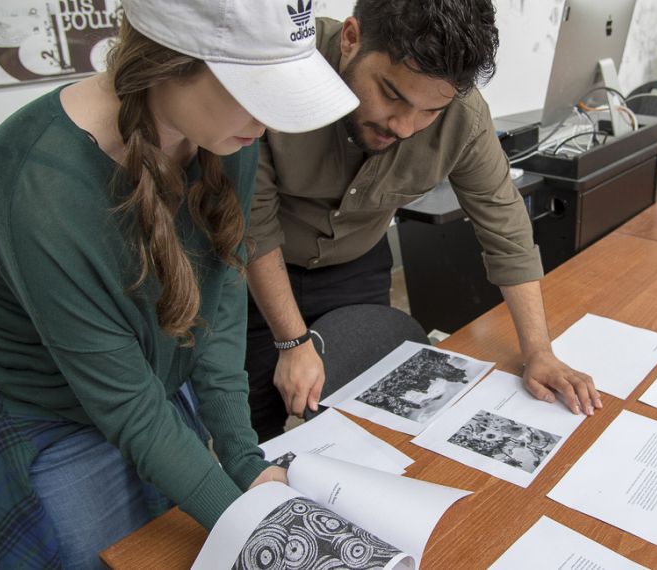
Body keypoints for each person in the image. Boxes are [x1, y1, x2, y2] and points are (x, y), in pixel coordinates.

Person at [0, 0, 358, 567]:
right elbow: (126, 404)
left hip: (155, 386)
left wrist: (243, 457)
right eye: (254, 94)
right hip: (48, 410)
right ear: (171, 62)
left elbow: (219, 305)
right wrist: (252, 524)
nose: (265, 123)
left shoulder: (225, 135)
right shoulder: (33, 181)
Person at [246, 0, 602, 441]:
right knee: (254, 415)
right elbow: (252, 225)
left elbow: (505, 226)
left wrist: (539, 352)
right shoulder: (281, 68)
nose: (405, 126)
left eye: (429, 112)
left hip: (355, 263)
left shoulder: (463, 116)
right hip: (251, 269)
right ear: (352, 39)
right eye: (392, 94)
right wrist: (291, 342)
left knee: (367, 411)